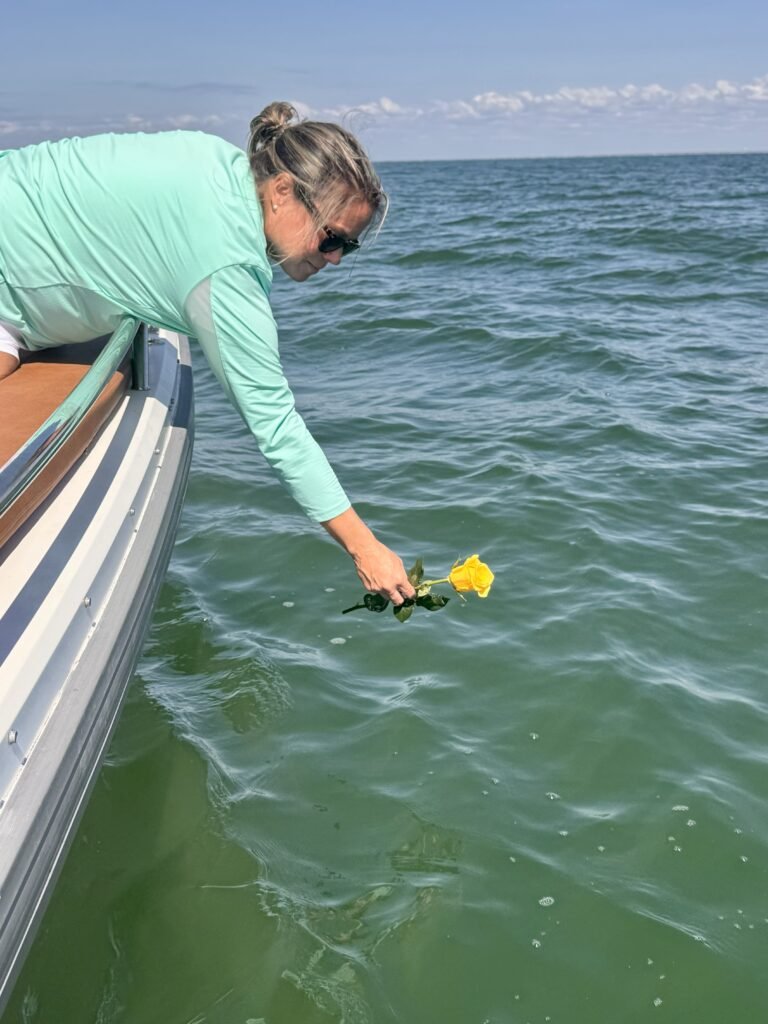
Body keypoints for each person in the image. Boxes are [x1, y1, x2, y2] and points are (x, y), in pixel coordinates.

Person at [0, 102, 416, 604]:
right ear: (282, 191)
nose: (333, 259)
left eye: (347, 248)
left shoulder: (216, 160)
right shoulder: (226, 264)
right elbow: (276, 425)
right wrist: (364, 547)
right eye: (332, 238)